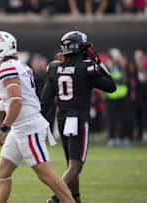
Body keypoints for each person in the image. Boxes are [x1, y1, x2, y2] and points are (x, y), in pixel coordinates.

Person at [0, 31, 75, 203]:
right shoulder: (19, 66)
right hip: (22, 126)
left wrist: (3, 129)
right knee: (2, 171)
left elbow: (16, 102)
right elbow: (12, 102)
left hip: (28, 127)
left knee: (45, 174)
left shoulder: (6, 68)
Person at [41, 31, 116, 203]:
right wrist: (98, 62)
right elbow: (111, 87)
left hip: (62, 119)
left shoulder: (54, 68)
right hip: (78, 119)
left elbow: (45, 102)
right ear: (80, 47)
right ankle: (55, 198)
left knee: (71, 165)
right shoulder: (87, 68)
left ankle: (75, 199)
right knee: (76, 166)